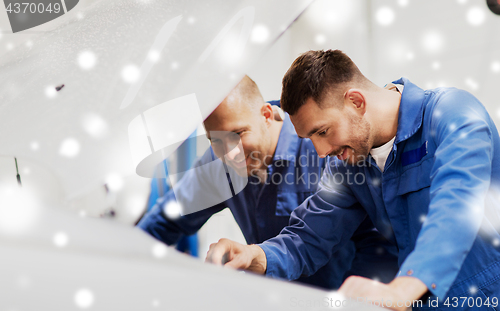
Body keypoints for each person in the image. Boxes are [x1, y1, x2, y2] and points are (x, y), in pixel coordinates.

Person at [205, 50, 500, 310]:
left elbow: (456, 208)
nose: (320, 152)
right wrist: (255, 256)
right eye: (309, 139)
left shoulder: (453, 115)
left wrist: (401, 289)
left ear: (356, 102)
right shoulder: (350, 165)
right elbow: (308, 237)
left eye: (322, 132)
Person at [137, 75, 399, 289]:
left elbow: (379, 244)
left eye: (238, 134)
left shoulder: (324, 149)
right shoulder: (219, 166)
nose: (231, 152)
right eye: (216, 140)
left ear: (265, 114)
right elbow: (164, 220)